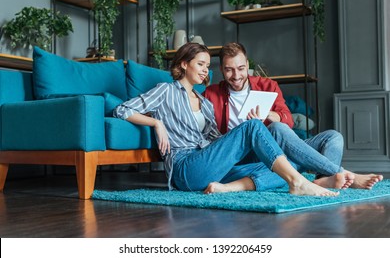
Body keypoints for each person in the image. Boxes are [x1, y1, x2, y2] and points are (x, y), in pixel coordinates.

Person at [114, 42, 339, 196]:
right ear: (184, 64)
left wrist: (243, 140)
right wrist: (156, 122)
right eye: (200, 64)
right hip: (186, 167)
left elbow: (215, 139)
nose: (205, 71)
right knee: (252, 128)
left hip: (209, 164)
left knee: (285, 162)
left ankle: (230, 188)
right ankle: (299, 182)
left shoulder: (204, 102)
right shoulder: (165, 91)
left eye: (207, 66)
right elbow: (122, 110)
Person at [203, 42, 383, 190]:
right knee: (280, 137)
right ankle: (342, 172)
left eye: (241, 68)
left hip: (275, 149)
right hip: (244, 155)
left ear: (248, 66)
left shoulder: (267, 85)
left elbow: (287, 120)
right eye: (229, 70)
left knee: (333, 137)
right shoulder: (210, 94)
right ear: (221, 69)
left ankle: (322, 180)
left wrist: (270, 114)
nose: (236, 76)